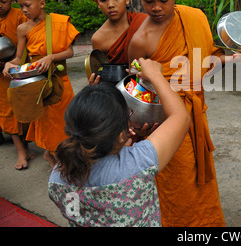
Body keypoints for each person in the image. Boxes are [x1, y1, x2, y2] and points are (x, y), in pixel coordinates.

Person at [127, 0, 241, 226]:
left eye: (163, 0)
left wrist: (238, 58)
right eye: (149, 0)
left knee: (200, 182)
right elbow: (134, 88)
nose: (156, 8)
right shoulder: (140, 40)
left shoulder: (194, 17)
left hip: (194, 114)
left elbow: (205, 62)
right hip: (163, 123)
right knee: (177, 186)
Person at [48, 58, 191, 227]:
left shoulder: (57, 178)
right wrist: (154, 74)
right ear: (122, 135)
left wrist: (92, 104)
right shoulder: (139, 164)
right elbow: (181, 117)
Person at [2, 0, 80, 167]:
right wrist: (9, 64)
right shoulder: (23, 29)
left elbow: (69, 51)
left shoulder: (59, 22)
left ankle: (54, 155)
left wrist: (51, 57)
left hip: (60, 79)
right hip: (38, 83)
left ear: (42, 3)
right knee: (47, 123)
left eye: (28, 5)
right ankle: (58, 159)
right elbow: (18, 58)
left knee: (64, 121)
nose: (24, 10)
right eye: (21, 6)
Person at [89, 0, 147, 84]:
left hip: (148, 85)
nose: (110, 5)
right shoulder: (98, 38)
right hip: (118, 90)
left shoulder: (143, 23)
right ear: (97, 3)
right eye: (103, 0)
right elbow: (102, 72)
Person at [0, 0, 34, 170]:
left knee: (24, 110)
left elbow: (29, 43)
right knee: (7, 114)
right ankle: (21, 152)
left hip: (19, 71)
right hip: (1, 76)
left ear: (12, 0)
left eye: (3, 1)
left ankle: (27, 147)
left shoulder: (20, 16)